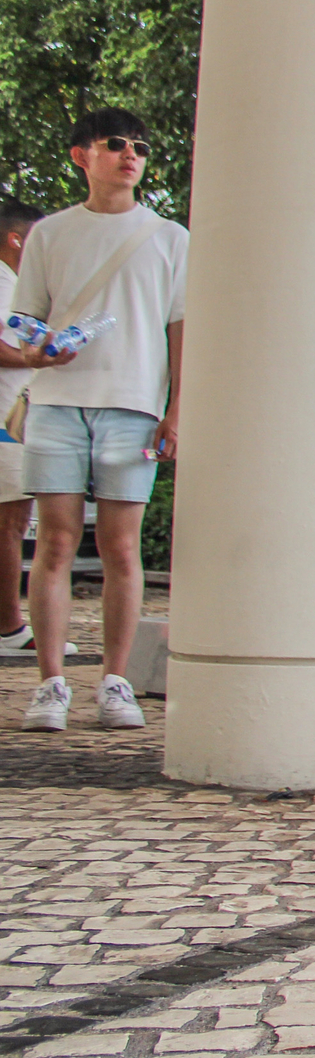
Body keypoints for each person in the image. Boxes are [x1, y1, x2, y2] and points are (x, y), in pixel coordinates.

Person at [10, 111, 186, 732]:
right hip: (58, 401)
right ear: (82, 155)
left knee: (120, 547)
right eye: (116, 144)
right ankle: (51, 683)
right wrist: (39, 351)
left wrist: (176, 410)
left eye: (140, 146)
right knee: (54, 543)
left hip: (133, 405)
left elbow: (180, 328)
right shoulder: (50, 235)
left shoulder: (169, 237)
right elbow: (25, 316)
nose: (131, 155)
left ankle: (115, 681)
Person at [0, 200, 47, 652]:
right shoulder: (5, 283)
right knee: (11, 523)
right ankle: (9, 627)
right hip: (5, 421)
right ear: (17, 240)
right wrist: (37, 359)